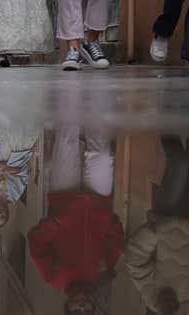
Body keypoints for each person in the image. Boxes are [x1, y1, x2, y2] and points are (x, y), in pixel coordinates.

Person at [28, 124, 123, 315]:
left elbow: (36, 242)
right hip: (98, 201)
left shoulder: (54, 278)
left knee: (66, 141)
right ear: (93, 307)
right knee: (103, 155)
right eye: (86, 311)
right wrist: (107, 220)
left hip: (64, 198)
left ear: (67, 308)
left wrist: (56, 223)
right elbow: (117, 240)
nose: (81, 307)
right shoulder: (104, 273)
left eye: (76, 312)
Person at [126, 135, 189, 314]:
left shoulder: (154, 299)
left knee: (179, 162)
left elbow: (135, 262)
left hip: (168, 216)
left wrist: (153, 232)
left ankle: (167, 118)